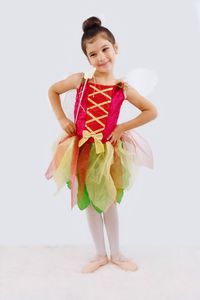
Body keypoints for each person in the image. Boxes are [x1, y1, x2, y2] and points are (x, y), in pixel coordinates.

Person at [45, 16, 158, 273]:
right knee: (88, 201)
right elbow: (52, 90)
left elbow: (151, 111)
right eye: (93, 53)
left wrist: (122, 128)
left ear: (116, 48)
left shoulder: (123, 89)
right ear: (87, 59)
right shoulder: (80, 81)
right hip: (80, 149)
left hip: (107, 153)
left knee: (107, 202)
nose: (101, 57)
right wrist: (62, 118)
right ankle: (99, 254)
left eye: (105, 49)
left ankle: (116, 253)